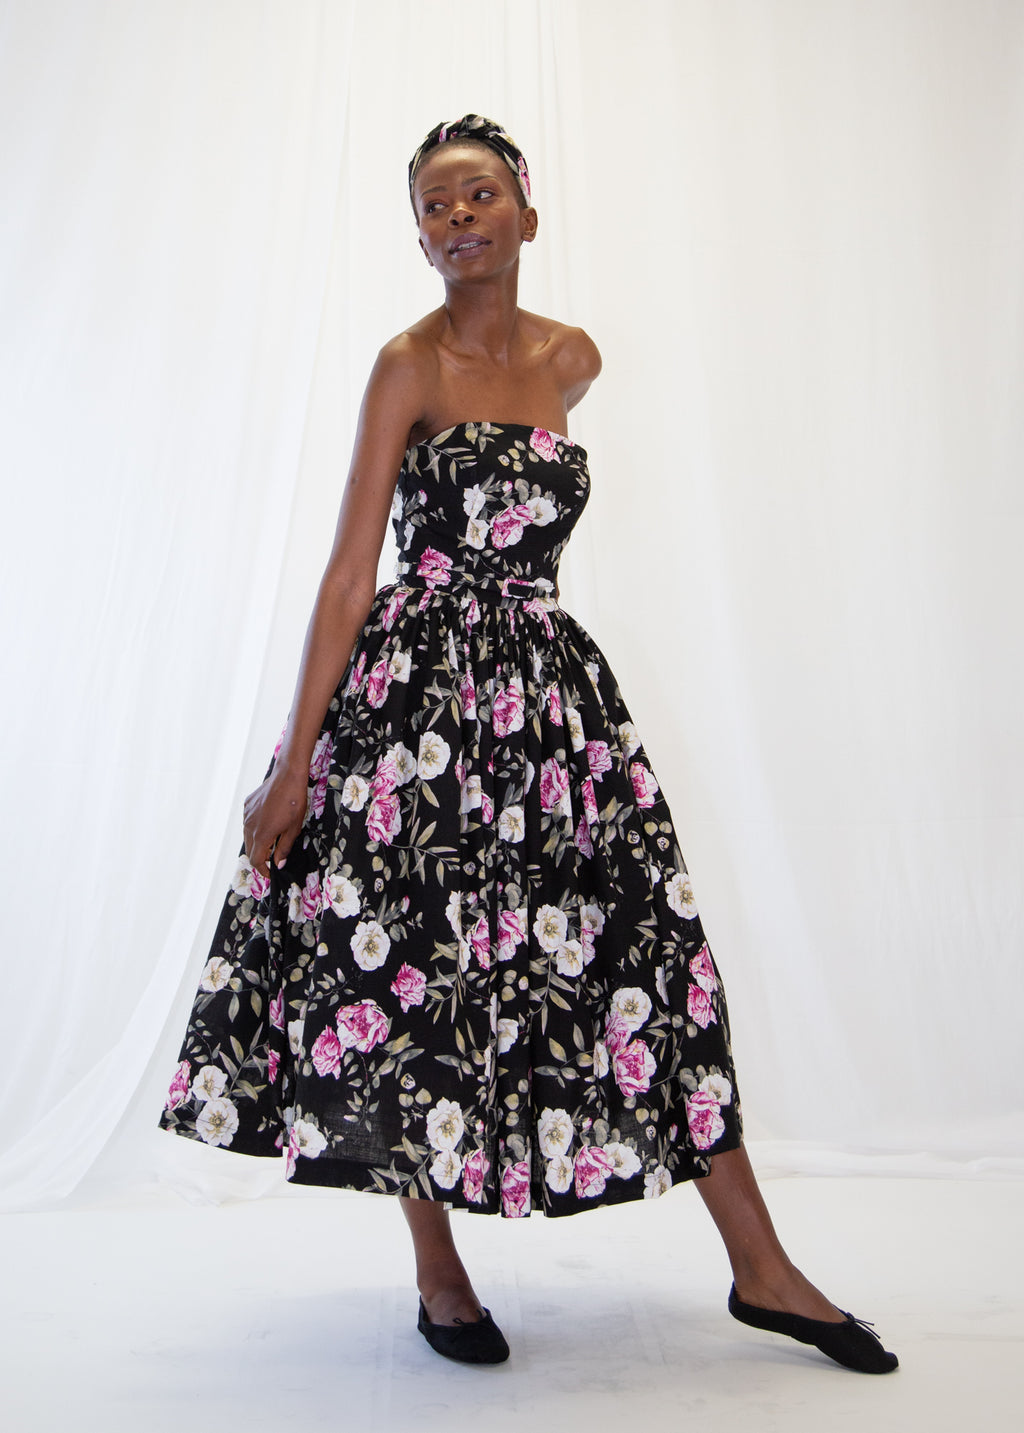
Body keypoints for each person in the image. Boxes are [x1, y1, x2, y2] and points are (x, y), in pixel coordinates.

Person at [159, 114, 897, 1374]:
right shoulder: (405, 366)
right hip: (414, 713)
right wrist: (294, 765)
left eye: (479, 195)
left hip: (550, 708)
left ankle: (762, 1269)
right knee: (410, 975)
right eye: (435, 205)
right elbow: (349, 576)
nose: (459, 217)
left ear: (527, 214)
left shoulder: (572, 357)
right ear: (418, 237)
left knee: (645, 954)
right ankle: (437, 1271)